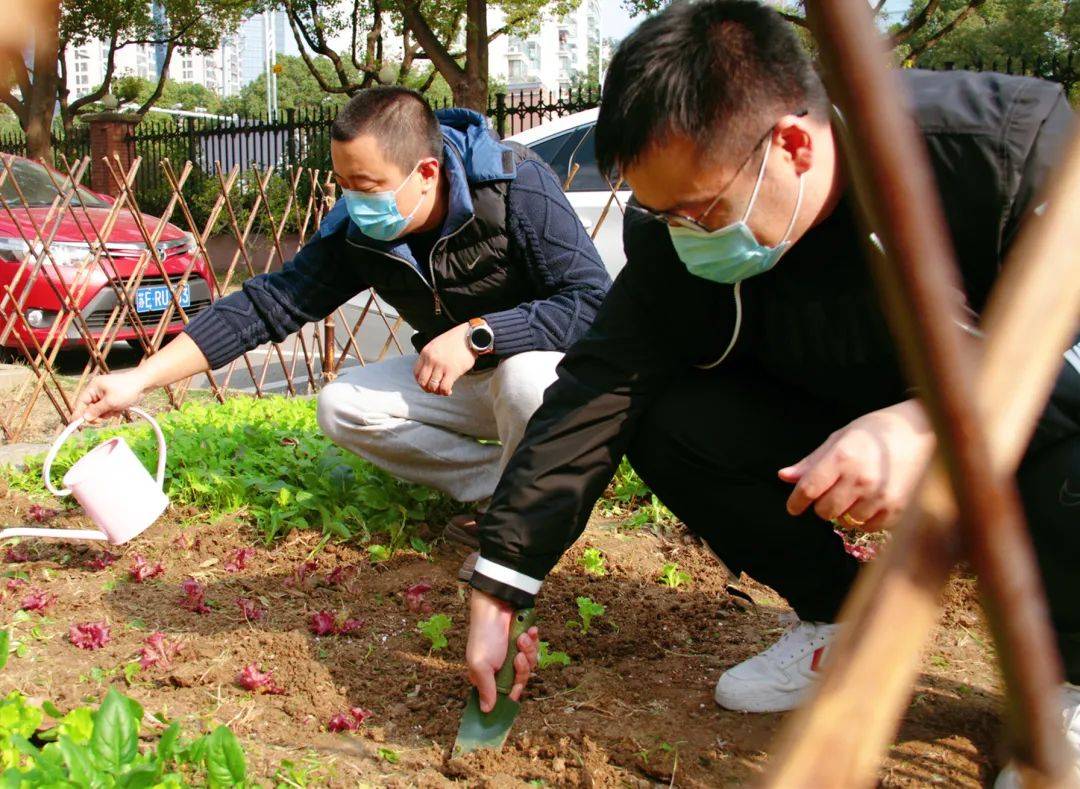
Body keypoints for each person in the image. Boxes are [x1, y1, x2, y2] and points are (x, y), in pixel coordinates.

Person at [462, 1, 1079, 782]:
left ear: (791, 142)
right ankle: (839, 617)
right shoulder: (676, 238)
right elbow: (599, 384)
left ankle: (1072, 678)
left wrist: (933, 425)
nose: (684, 233)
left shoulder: (1000, 151)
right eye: (663, 213)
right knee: (664, 417)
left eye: (702, 210)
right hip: (833, 419)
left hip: (1023, 425)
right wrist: (503, 583)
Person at [72, 87, 612, 563]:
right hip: (465, 383)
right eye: (344, 183)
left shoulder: (513, 185)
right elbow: (269, 304)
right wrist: (139, 378)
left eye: (367, 184)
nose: (355, 199)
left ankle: (533, 516)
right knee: (342, 405)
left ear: (426, 172)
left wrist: (480, 334)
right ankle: (501, 487)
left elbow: (591, 302)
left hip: (545, 378)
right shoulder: (361, 230)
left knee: (523, 381)